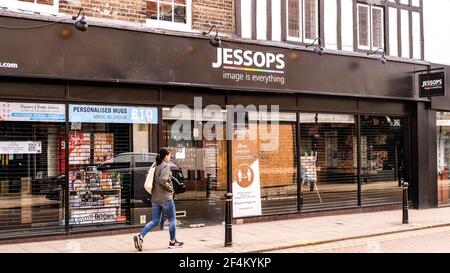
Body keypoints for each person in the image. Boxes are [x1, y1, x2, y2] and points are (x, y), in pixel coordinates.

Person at [133, 147, 184, 251]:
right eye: (169, 154)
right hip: (166, 198)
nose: (170, 156)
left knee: (155, 221)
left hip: (155, 198)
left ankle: (140, 236)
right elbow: (163, 181)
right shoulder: (166, 166)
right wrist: (171, 189)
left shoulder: (156, 165)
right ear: (165, 156)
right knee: (172, 219)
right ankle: (172, 242)